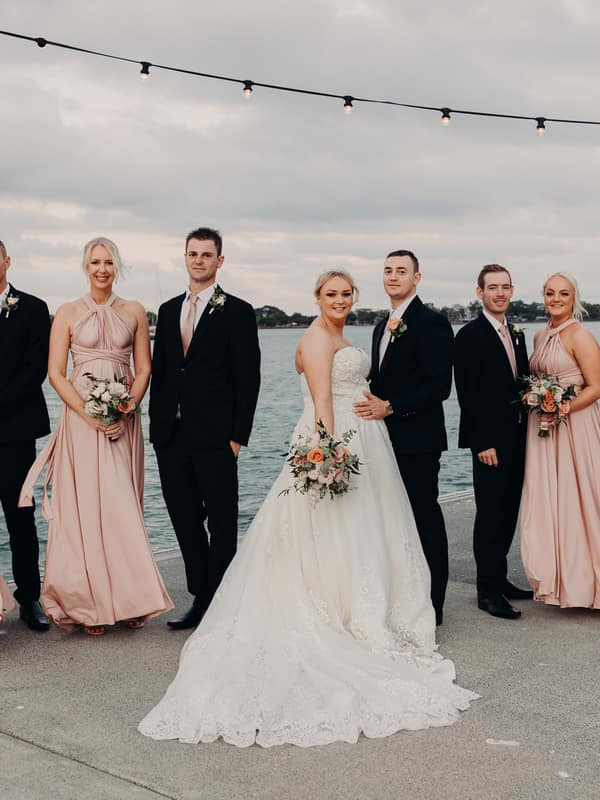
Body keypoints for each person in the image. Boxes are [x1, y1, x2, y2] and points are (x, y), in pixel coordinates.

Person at [138, 270, 477, 748]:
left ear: (353, 297)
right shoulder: (318, 337)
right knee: (331, 530)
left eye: (345, 294)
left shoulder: (343, 332)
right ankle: (337, 609)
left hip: (364, 441)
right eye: (330, 294)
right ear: (316, 297)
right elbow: (322, 403)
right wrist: (326, 456)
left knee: (359, 530)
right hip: (336, 441)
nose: (339, 300)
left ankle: (362, 602)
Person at [19, 237, 173, 635]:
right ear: (85, 267)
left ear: (116, 266)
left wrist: (126, 407)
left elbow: (144, 369)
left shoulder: (135, 310)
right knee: (85, 510)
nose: (102, 269)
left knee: (122, 508)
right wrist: (90, 414)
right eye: (95, 262)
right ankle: (88, 605)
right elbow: (55, 373)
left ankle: (130, 600)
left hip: (124, 421)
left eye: (108, 262)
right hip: (82, 423)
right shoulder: (67, 312)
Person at [150, 227, 261, 630]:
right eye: (193, 254)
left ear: (220, 261)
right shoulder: (166, 310)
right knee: (183, 517)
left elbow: (248, 378)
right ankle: (202, 594)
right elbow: (164, 372)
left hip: (217, 438)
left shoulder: (237, 311)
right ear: (185, 257)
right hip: (171, 436)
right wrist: (156, 428)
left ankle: (221, 599)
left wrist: (236, 437)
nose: (199, 260)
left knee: (222, 519)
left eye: (207, 254)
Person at [355, 250, 452, 626]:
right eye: (388, 271)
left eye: (402, 271)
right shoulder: (383, 324)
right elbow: (380, 381)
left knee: (424, 514)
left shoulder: (432, 322)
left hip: (418, 438)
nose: (393, 277)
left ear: (417, 278)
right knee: (393, 516)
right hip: (383, 439)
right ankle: (405, 591)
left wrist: (391, 407)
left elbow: (439, 386)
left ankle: (435, 601)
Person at [454, 264, 532, 621]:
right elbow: (468, 394)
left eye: (505, 287)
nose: (499, 293)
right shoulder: (470, 336)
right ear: (479, 292)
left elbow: (519, 381)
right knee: (489, 515)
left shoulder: (515, 333)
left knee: (509, 510)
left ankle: (500, 579)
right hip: (490, 444)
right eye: (492, 287)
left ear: (511, 290)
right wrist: (481, 443)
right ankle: (488, 591)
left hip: (518, 436)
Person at [520, 273, 600, 608]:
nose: (556, 299)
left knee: (580, 499)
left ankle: (590, 582)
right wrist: (536, 398)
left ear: (574, 298)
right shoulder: (540, 335)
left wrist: (562, 407)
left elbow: (596, 387)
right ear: (543, 296)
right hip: (543, 428)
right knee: (550, 500)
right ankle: (561, 580)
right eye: (550, 293)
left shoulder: (580, 335)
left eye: (563, 294)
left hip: (574, 427)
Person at [0, 238, 51, 632]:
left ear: (7, 261)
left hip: (15, 433)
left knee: (21, 518)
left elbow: (35, 371)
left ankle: (29, 597)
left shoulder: (33, 309)